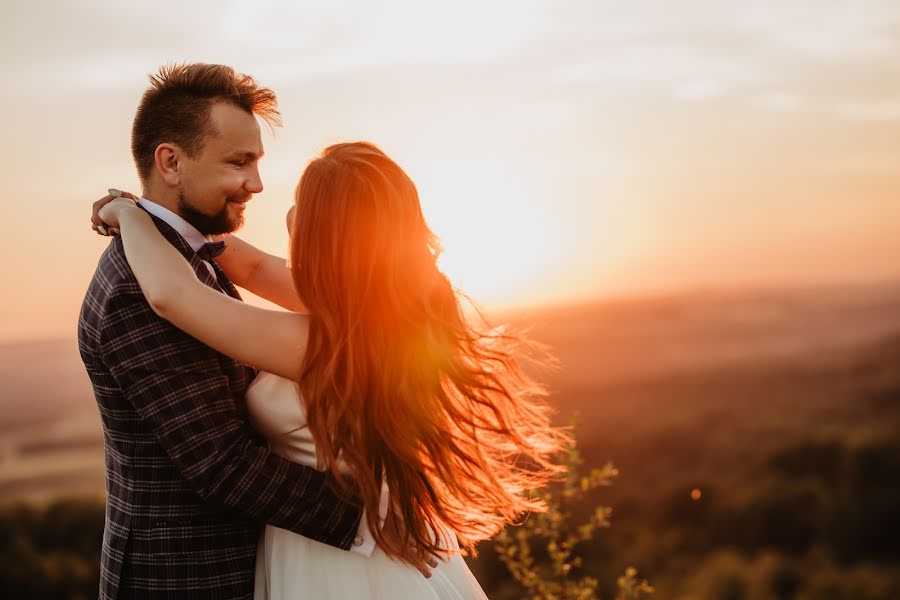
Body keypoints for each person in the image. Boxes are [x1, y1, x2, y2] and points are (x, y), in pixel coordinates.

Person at [91, 140, 570, 598]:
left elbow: (173, 296)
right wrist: (162, 213)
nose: (289, 211)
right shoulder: (375, 309)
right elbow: (252, 267)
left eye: (303, 201)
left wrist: (128, 215)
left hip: (334, 560)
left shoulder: (323, 343)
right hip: (349, 546)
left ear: (328, 231)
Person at [78, 63, 432, 600]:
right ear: (170, 162)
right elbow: (221, 465)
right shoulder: (139, 285)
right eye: (240, 162)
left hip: (335, 554)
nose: (258, 185)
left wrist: (130, 213)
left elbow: (188, 290)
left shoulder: (181, 268)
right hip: (187, 579)